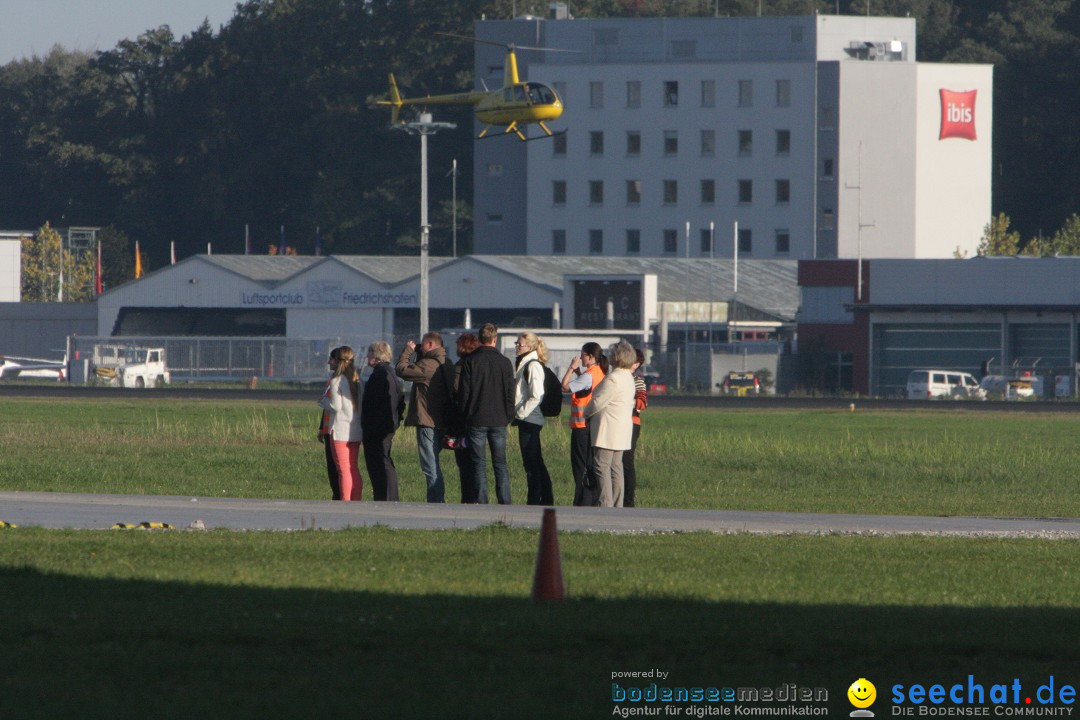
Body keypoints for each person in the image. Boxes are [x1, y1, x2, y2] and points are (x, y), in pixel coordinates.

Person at [457, 322, 515, 504]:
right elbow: (509, 393)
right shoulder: (505, 363)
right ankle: (505, 501)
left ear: (480, 339)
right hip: (499, 419)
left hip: (476, 418)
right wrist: (508, 415)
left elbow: (464, 392)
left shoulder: (470, 361)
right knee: (500, 463)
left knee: (479, 463)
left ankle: (482, 501)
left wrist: (465, 414)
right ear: (495, 340)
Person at [396, 332, 451, 503]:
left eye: (422, 344)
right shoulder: (446, 363)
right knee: (433, 463)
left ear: (430, 345)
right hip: (442, 419)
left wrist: (408, 351)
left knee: (430, 466)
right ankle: (437, 499)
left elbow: (402, 370)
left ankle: (436, 501)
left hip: (427, 420)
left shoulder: (427, 365)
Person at [585, 340, 636, 508]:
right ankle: (617, 504)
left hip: (608, 429)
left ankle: (605, 503)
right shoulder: (628, 377)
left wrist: (585, 414)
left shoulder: (613, 379)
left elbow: (597, 402)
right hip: (622, 429)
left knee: (601, 465)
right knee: (616, 467)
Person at [561, 341, 607, 507]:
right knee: (591, 464)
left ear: (591, 356)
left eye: (583, 355)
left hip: (581, 426)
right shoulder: (599, 372)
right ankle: (592, 499)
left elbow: (565, 387)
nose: (581, 357)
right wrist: (580, 372)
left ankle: (581, 500)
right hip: (593, 426)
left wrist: (571, 369)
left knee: (580, 467)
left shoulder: (588, 375)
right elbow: (587, 387)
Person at [513, 331, 554, 506]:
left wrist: (520, 413)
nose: (516, 346)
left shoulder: (532, 365)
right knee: (535, 461)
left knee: (531, 464)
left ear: (529, 347)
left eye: (519, 344)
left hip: (530, 420)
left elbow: (537, 395)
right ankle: (545, 498)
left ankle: (535, 500)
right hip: (528, 419)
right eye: (516, 343)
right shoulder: (524, 363)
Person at [317, 345, 363, 501]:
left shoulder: (337, 381)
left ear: (338, 361)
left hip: (340, 430)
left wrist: (323, 402)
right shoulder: (357, 379)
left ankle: (344, 501)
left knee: (343, 469)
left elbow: (335, 406)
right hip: (356, 429)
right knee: (353, 468)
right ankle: (356, 498)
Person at [362, 340, 403, 501]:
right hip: (384, 426)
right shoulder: (388, 372)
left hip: (378, 428)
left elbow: (389, 401)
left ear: (376, 355)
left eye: (370, 353)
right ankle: (386, 496)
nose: (367, 357)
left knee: (381, 463)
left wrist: (384, 424)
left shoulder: (381, 374)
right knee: (383, 461)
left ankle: (386, 497)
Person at [450, 332, 480, 503]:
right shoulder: (478, 363)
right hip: (478, 418)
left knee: (464, 464)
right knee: (477, 462)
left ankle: (467, 498)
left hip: (462, 421)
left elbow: (456, 390)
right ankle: (477, 496)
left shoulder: (460, 366)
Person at [622, 347, 648, 507]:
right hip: (619, 422)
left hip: (631, 423)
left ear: (637, 364)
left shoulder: (637, 381)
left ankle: (628, 500)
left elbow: (642, 403)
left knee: (627, 461)